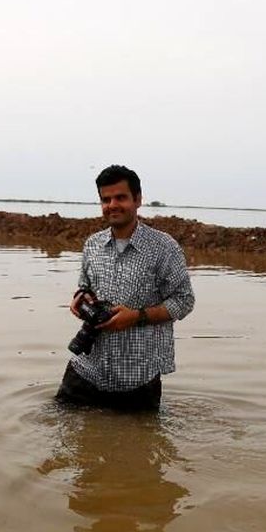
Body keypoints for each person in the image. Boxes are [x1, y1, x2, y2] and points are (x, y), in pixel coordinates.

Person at [56, 165, 195, 411]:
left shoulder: (164, 247)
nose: (112, 205)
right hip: (86, 370)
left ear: (138, 199)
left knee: (139, 445)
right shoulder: (93, 245)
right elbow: (84, 286)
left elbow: (184, 301)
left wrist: (137, 317)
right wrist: (80, 299)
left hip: (137, 378)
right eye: (105, 199)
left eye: (120, 197)